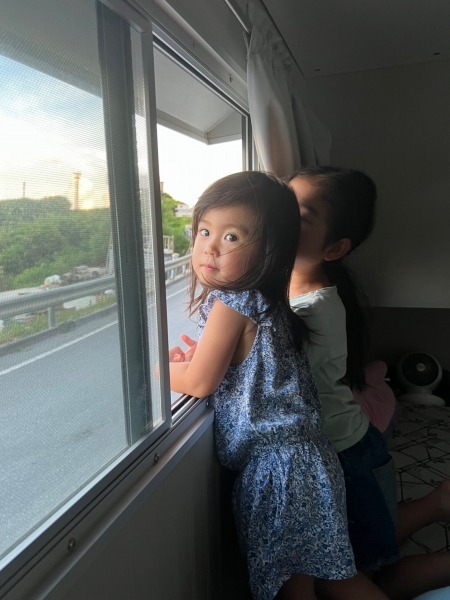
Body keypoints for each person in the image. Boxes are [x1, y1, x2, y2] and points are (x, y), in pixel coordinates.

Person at [165, 171, 388, 600]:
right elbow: (243, 365)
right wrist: (202, 357)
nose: (209, 247)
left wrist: (157, 369)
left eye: (231, 237)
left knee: (296, 587)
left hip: (280, 470)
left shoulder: (234, 302)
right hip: (308, 460)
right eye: (204, 231)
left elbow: (199, 381)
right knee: (328, 576)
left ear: (271, 249)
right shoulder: (269, 300)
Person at [288, 165, 450, 599]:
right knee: (359, 553)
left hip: (346, 459)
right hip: (343, 451)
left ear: (335, 247)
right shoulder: (290, 293)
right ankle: (437, 503)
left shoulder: (313, 309)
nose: (279, 221)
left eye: (298, 216)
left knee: (354, 571)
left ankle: (439, 532)